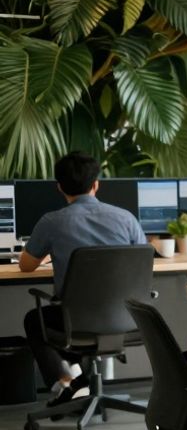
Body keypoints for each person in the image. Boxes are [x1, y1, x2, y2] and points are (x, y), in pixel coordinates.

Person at [19, 151, 145, 406]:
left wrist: (48, 255)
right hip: (126, 319)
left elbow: (26, 266)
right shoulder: (126, 219)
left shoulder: (52, 222)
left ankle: (65, 381)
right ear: (96, 184)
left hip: (75, 322)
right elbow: (143, 260)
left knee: (35, 319)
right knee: (78, 313)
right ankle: (79, 383)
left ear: (59, 187)